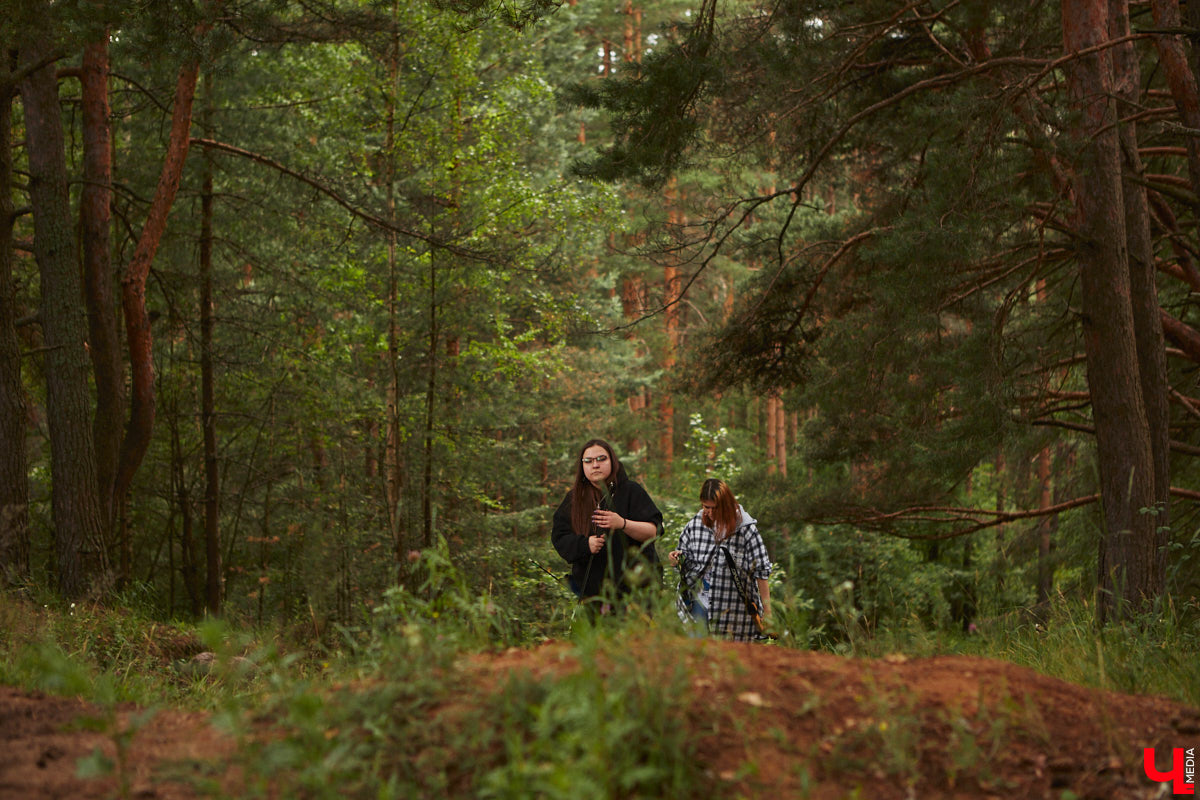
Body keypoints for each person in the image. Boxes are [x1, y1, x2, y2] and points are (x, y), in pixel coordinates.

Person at [550, 439, 663, 609]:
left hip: (635, 594)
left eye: (601, 459)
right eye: (588, 461)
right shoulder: (574, 499)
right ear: (582, 467)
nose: (595, 465)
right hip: (593, 597)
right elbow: (560, 538)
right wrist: (585, 544)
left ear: (612, 461)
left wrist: (623, 524)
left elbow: (653, 531)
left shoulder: (631, 491)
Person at [669, 478, 772, 641]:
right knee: (700, 656)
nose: (709, 512)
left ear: (725, 505)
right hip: (699, 602)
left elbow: (762, 571)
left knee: (729, 660)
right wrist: (677, 558)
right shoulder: (696, 525)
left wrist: (768, 614)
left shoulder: (746, 530)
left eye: (714, 508)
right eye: (705, 507)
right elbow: (685, 556)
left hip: (733, 609)